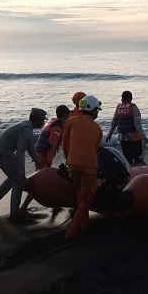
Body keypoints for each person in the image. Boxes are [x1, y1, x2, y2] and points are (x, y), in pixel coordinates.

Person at [0, 108, 47, 223]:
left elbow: (30, 146)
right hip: (2, 153)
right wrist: (22, 175)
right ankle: (15, 215)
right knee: (18, 182)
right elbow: (20, 153)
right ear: (37, 120)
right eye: (43, 120)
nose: (43, 123)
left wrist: (38, 161)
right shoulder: (26, 130)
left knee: (13, 178)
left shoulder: (26, 127)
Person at [62, 95, 103, 239]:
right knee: (87, 200)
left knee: (80, 194)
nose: (97, 113)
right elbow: (95, 150)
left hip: (72, 165)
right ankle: (72, 231)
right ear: (93, 110)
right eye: (97, 110)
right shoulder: (98, 129)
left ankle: (84, 224)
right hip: (89, 167)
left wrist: (69, 161)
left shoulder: (70, 122)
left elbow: (65, 145)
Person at [19, 105, 70, 213]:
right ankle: (24, 207)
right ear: (65, 115)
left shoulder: (54, 122)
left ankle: (54, 205)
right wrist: (48, 162)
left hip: (39, 154)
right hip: (42, 156)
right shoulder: (57, 128)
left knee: (40, 182)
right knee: (38, 183)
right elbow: (51, 145)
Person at [105, 90, 147, 165]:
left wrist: (109, 134)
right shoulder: (133, 108)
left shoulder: (118, 108)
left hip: (123, 139)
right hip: (134, 139)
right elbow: (138, 124)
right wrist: (143, 135)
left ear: (122, 99)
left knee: (128, 159)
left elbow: (114, 123)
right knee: (138, 158)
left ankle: (130, 172)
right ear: (131, 99)